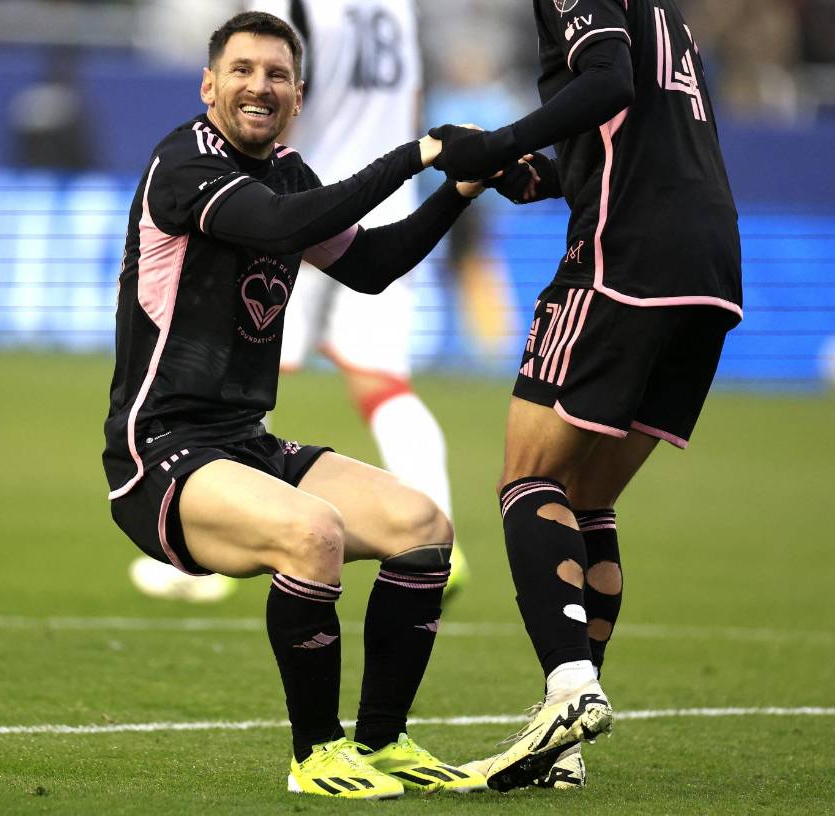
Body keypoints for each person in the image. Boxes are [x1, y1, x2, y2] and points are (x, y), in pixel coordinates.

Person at [102, 11, 489, 799]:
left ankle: (382, 742)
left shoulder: (287, 171)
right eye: (242, 70)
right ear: (209, 84)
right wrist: (417, 151)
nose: (259, 85)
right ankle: (316, 755)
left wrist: (460, 189)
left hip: (244, 443)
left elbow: (372, 264)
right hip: (159, 453)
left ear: (298, 96)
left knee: (424, 528)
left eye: (277, 75)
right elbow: (283, 224)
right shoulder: (184, 164)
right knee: (312, 532)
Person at [428, 0, 744, 792]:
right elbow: (609, 139)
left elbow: (604, 83)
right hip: (708, 269)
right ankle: (564, 741)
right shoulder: (664, 11)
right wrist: (510, 169)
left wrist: (499, 136)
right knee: (588, 496)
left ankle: (570, 688)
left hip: (621, 263)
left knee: (527, 479)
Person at [129, 0, 471, 605]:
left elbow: (259, 106)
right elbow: (413, 94)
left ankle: (205, 539)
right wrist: (423, 163)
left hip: (302, 196)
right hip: (351, 196)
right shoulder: (397, 6)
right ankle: (228, 528)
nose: (261, 83)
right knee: (382, 383)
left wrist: (448, 182)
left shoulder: (293, 5)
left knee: (239, 353)